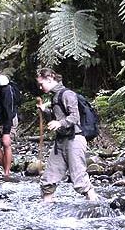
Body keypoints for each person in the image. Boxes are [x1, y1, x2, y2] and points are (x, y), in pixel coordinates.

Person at [35, 67, 99, 202]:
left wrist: (60, 124)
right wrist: (45, 111)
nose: (40, 87)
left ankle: (96, 205)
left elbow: (75, 117)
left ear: (50, 78)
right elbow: (55, 117)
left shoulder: (67, 94)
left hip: (75, 139)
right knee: (48, 178)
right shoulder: (55, 96)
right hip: (61, 141)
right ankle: (46, 208)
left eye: (41, 84)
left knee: (79, 178)